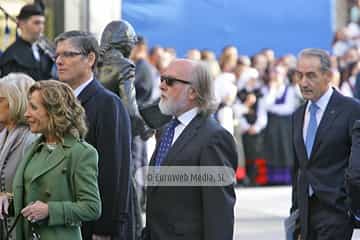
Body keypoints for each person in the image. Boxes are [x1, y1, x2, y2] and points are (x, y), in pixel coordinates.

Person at [143, 59, 237, 240]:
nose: (162, 86)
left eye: (170, 81)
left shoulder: (214, 138)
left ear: (193, 92)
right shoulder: (167, 129)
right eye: (162, 79)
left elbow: (219, 213)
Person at [54, 31, 133, 240]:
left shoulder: (108, 104)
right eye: (57, 56)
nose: (60, 61)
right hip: (60, 220)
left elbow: (113, 170)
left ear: (90, 59)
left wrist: (105, 228)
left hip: (92, 226)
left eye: (68, 54)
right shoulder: (56, 102)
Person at [0, 80, 101, 240]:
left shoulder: (82, 153)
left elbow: (92, 207)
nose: (26, 114)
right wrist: (9, 200)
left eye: (33, 107)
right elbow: (32, 196)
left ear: (55, 111)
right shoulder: (34, 147)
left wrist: (49, 210)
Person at [290, 48, 360, 240]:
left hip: (337, 211)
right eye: (300, 75)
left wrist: (351, 207)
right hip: (305, 215)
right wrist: (295, 213)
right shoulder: (298, 115)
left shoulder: (351, 110)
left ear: (328, 76)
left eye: (311, 76)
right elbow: (299, 168)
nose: (304, 83)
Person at [0, 73, 36, 238]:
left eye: (1, 100)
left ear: (18, 102)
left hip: (23, 230)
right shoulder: (4, 135)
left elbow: (38, 190)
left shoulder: (31, 139)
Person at [0, 3, 54, 80]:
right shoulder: (12, 57)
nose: (41, 27)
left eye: (43, 23)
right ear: (22, 24)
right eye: (36, 23)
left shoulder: (44, 52)